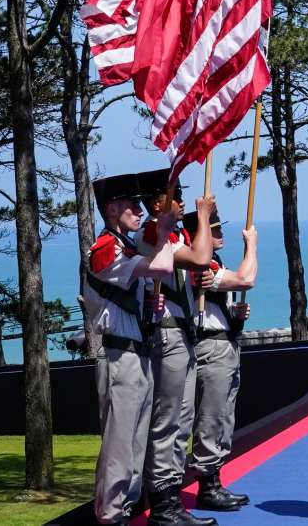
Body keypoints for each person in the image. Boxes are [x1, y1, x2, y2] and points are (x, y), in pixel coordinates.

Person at [84, 173, 176, 525]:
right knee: (120, 444)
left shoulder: (125, 245)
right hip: (120, 356)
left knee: (136, 442)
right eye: (131, 205)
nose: (139, 211)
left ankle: (125, 509)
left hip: (137, 353)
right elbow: (164, 265)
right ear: (112, 209)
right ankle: (110, 514)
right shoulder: (105, 249)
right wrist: (166, 232)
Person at [135, 169, 216, 526]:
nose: (183, 202)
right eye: (176, 196)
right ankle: (162, 500)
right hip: (166, 333)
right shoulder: (154, 232)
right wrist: (202, 217)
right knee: (167, 419)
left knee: (182, 419)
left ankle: (170, 494)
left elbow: (203, 264)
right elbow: (199, 257)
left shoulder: (171, 234)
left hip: (182, 330)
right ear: (158, 203)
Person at [185, 207, 259, 512]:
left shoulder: (215, 263)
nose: (219, 233)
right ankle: (207, 484)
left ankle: (214, 479)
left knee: (223, 415)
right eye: (212, 229)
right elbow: (245, 279)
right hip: (210, 347)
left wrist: (234, 316)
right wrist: (251, 246)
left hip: (224, 343)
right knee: (212, 416)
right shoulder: (200, 268)